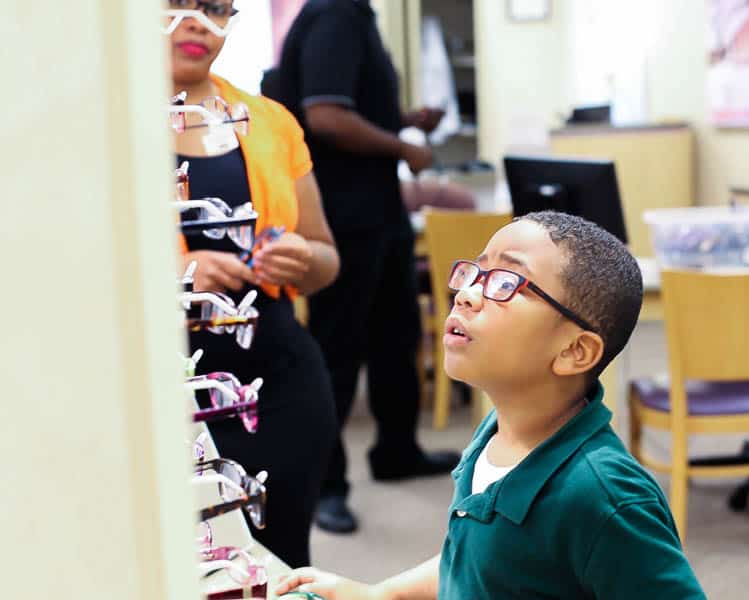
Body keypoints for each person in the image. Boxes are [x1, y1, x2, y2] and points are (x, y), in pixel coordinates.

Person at [277, 211, 707, 599]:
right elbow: (473, 562)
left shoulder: (605, 498)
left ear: (575, 351)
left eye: (505, 283)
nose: (465, 295)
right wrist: (380, 594)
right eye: (474, 274)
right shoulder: (496, 436)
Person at [264, 0, 459, 535]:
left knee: (396, 338)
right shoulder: (334, 14)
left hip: (380, 210)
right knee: (338, 349)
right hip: (347, 216)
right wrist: (403, 146)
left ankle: (397, 450)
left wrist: (405, 119)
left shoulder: (356, 17)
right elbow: (324, 116)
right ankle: (326, 485)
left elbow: (350, 103)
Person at [167, 0, 339, 567]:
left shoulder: (268, 121)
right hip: (158, 392)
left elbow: (326, 258)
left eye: (215, 7)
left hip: (277, 386)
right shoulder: (96, 130)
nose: (196, 22)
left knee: (277, 564)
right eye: (175, 3)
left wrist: (300, 257)